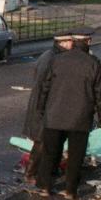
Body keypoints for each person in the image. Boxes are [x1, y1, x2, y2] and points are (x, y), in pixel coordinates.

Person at [35, 28, 101, 199]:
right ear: (88, 42)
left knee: (50, 152)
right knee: (76, 155)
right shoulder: (93, 63)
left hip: (54, 115)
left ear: (73, 42)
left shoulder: (57, 60)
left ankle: (45, 186)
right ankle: (70, 190)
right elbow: (100, 93)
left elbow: (44, 88)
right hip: (80, 117)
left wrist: (41, 109)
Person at [21, 36, 65, 181]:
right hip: (43, 106)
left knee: (44, 141)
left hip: (44, 105)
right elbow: (43, 84)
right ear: (62, 42)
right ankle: (31, 173)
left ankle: (42, 171)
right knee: (41, 141)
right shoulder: (51, 58)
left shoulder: (52, 55)